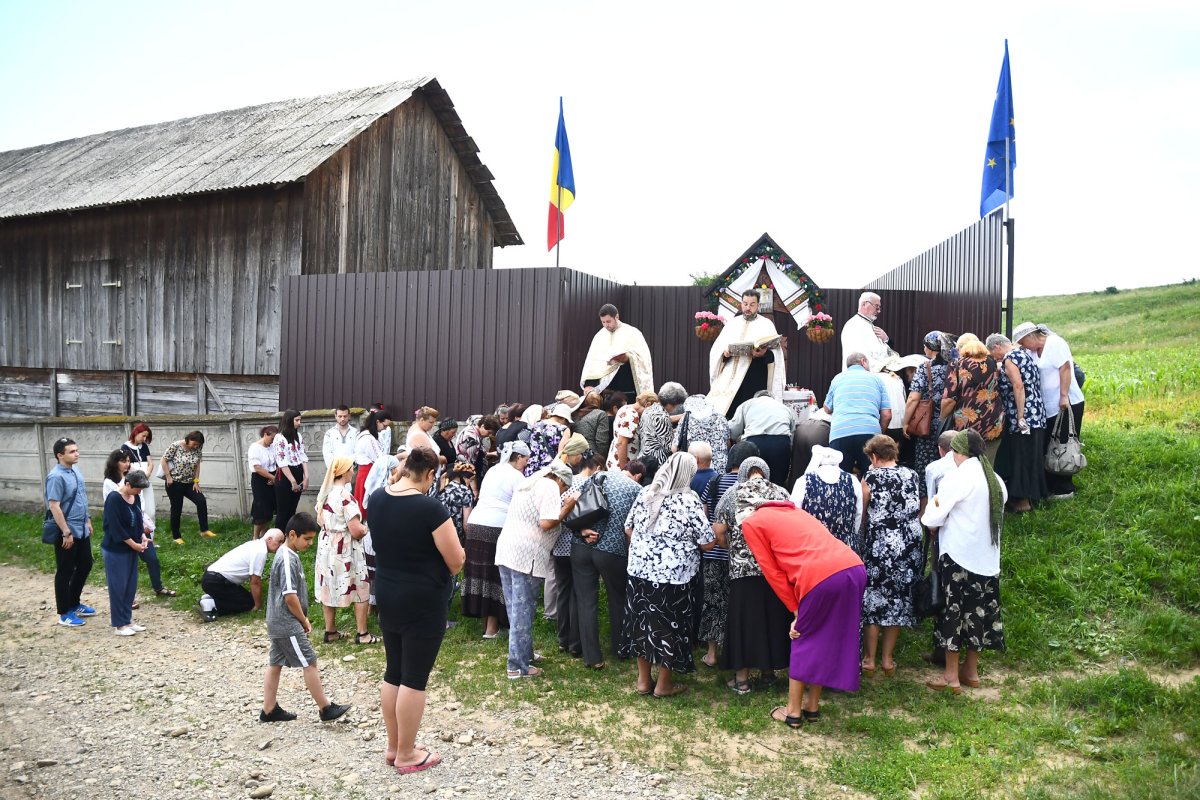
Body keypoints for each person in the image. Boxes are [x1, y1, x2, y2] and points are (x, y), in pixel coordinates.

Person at [365, 446, 465, 774]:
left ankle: (395, 746)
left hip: (388, 592)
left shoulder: (378, 498)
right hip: (422, 598)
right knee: (414, 678)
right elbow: (456, 560)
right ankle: (407, 754)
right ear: (430, 475)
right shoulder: (429, 508)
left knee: (394, 672)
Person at [740, 500, 867, 728]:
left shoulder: (752, 523)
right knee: (827, 638)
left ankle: (793, 712)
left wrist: (796, 610)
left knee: (802, 637)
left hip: (820, 577)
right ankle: (812, 706)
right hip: (854, 568)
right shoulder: (796, 512)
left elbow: (773, 572)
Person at [921, 429, 1008, 693]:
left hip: (959, 556)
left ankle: (950, 677)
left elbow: (933, 517)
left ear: (959, 453)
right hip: (987, 559)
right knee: (977, 615)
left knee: (953, 614)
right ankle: (971, 671)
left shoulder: (958, 478)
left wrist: (932, 514)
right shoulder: (996, 480)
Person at [624, 452, 714, 697]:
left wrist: (646, 547)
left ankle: (643, 681)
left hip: (639, 572)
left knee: (642, 624)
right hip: (675, 577)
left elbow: (628, 527)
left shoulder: (646, 493)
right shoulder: (689, 500)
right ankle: (664, 685)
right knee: (670, 628)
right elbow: (706, 542)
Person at [259, 512, 351, 724]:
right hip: (287, 622)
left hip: (277, 621)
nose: (310, 543)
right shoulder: (286, 559)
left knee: (275, 663)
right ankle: (325, 708)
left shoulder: (287, 555)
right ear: (292, 535)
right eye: (307, 539)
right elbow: (290, 596)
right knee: (309, 661)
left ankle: (269, 709)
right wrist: (303, 619)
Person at [712, 457, 793, 694]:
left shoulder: (732, 493)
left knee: (744, 623)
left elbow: (718, 532)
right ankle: (769, 672)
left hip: (742, 570)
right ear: (765, 472)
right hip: (774, 570)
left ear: (743, 472)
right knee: (772, 620)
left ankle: (742, 680)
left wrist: (732, 548)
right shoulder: (781, 493)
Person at [496, 459, 578, 678]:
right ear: (560, 480)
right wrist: (567, 507)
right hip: (527, 555)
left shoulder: (530, 484)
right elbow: (546, 522)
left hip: (507, 549)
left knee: (516, 608)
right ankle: (517, 666)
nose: (563, 491)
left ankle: (525, 653)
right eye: (565, 487)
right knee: (523, 610)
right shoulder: (550, 486)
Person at [570, 458, 644, 669]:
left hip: (582, 544)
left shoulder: (596, 477)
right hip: (613, 550)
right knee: (618, 599)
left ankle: (592, 657)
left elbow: (576, 506)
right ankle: (621, 648)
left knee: (585, 601)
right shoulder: (636, 489)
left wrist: (582, 531)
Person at [859, 435, 922, 678]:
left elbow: (864, 509)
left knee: (874, 598)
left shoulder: (871, 476)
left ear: (874, 456)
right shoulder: (912, 475)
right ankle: (887, 659)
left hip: (880, 544)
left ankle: (869, 659)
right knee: (898, 599)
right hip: (907, 544)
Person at [697, 441, 759, 668]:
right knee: (739, 605)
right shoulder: (755, 486)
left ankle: (712, 653)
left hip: (715, 554)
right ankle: (739, 652)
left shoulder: (715, 481)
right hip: (744, 558)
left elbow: (705, 515)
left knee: (714, 602)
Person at [463, 441, 529, 637]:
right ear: (518, 458)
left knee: (480, 573)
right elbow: (520, 505)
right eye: (525, 459)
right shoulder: (517, 476)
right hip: (497, 525)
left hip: (476, 522)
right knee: (495, 575)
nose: (526, 463)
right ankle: (491, 629)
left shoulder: (493, 471)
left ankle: (487, 625)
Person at [1014, 322, 1085, 500]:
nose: (1023, 346)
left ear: (1032, 336)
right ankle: (1051, 484)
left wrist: (1063, 395)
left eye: (1023, 342)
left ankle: (1064, 488)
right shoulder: (1031, 351)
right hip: (1048, 406)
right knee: (1050, 445)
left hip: (1066, 402)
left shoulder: (1055, 343)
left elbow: (1065, 368)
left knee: (1063, 444)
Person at [314, 456, 375, 645]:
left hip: (327, 546)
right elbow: (356, 530)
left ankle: (330, 631)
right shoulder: (345, 497)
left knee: (328, 585)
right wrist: (366, 528)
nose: (354, 471)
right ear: (345, 471)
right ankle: (362, 633)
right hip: (345, 548)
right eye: (352, 468)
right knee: (360, 587)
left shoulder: (326, 494)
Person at [987, 333, 1048, 513]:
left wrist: (1020, 416)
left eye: (992, 353)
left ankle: (1022, 502)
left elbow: (1018, 386)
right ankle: (1033, 497)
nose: (994, 357)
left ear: (997, 346)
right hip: (1037, 414)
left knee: (1021, 457)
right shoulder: (1024, 355)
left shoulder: (1010, 358)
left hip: (1023, 416)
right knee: (1032, 456)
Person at [551, 451, 604, 658]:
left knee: (563, 592)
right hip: (574, 543)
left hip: (558, 544)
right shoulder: (586, 485)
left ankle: (563, 639)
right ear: (597, 467)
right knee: (575, 594)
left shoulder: (567, 481)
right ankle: (575, 643)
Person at [103, 449, 173, 598]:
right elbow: (114, 517)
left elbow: (137, 505)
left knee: (152, 558)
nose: (127, 464)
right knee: (126, 568)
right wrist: (133, 543)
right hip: (123, 532)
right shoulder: (111, 486)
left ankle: (158, 587)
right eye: (123, 461)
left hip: (138, 525)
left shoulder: (134, 480)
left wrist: (142, 529)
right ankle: (129, 597)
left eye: (128, 460)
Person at [709, 290, 785, 418]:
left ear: (758, 305)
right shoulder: (732, 323)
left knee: (750, 415)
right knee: (729, 413)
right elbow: (717, 350)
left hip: (754, 376)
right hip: (731, 379)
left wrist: (763, 354)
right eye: (745, 304)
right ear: (741, 304)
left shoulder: (766, 324)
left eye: (752, 304)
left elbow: (775, 354)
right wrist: (725, 354)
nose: (747, 308)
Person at [45, 438, 95, 627]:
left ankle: (74, 603)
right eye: (72, 451)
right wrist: (65, 532)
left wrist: (88, 519)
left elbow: (82, 496)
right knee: (65, 571)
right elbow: (54, 506)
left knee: (85, 564)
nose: (77, 453)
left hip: (81, 528)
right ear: (60, 455)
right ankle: (64, 613)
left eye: (76, 450)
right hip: (66, 531)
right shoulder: (56, 477)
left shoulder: (75, 471)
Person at [102, 469, 152, 636]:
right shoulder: (114, 499)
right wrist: (134, 544)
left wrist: (143, 537)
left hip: (132, 547)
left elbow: (137, 520)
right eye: (137, 488)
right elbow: (115, 528)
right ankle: (119, 625)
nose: (140, 492)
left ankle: (127, 620)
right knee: (118, 586)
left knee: (130, 585)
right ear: (128, 484)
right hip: (116, 549)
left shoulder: (135, 497)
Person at [824, 352, 891, 475]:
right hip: (869, 432)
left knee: (839, 479)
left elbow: (827, 409)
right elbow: (887, 414)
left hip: (840, 432)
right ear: (862, 362)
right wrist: (878, 433)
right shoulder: (877, 379)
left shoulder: (837, 379)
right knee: (871, 478)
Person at [941, 336, 1004, 465]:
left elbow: (950, 399)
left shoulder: (956, 364)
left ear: (961, 348)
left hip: (966, 426)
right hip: (993, 423)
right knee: (988, 465)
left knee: (965, 465)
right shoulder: (992, 362)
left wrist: (942, 417)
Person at [790, 445, 864, 554]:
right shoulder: (853, 481)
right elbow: (858, 515)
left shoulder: (803, 481)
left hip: (813, 549)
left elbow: (794, 516)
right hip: (846, 550)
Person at [903, 332, 951, 498]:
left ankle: (925, 509)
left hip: (928, 426)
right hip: (949, 424)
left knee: (925, 467)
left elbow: (913, 398)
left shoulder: (925, 367)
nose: (923, 348)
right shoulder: (955, 366)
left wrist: (905, 422)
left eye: (925, 345)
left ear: (931, 348)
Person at [199, 530, 285, 621]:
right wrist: (257, 605)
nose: (281, 545)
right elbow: (255, 582)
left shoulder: (255, 545)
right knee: (248, 603)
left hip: (210, 578)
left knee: (245, 597)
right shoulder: (261, 551)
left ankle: (213, 596)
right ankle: (212, 603)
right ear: (270, 539)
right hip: (216, 582)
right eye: (279, 541)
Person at [580, 303, 655, 403]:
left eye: (608, 321)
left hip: (627, 384)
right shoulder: (599, 336)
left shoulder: (633, 333)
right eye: (603, 322)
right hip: (606, 389)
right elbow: (592, 363)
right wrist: (589, 385)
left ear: (617, 317)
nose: (606, 325)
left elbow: (643, 358)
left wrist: (627, 357)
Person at [728, 390, 796, 487]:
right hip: (781, 443)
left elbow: (734, 430)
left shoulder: (747, 404)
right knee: (778, 483)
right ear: (772, 398)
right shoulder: (784, 408)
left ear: (756, 397)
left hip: (755, 442)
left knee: (753, 481)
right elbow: (792, 434)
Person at [160, 431, 214, 544]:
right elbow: (163, 460)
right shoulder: (175, 446)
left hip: (190, 483)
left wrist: (196, 481)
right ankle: (176, 536)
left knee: (201, 501)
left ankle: (204, 530)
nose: (195, 446)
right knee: (176, 509)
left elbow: (197, 464)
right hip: (174, 483)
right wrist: (168, 477)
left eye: (197, 445)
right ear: (187, 439)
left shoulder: (197, 448)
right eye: (194, 444)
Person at [272, 410, 309, 530]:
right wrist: (292, 481)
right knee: (283, 509)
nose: (299, 423)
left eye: (300, 420)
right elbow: (281, 461)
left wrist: (306, 477)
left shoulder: (298, 436)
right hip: (285, 476)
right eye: (297, 420)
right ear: (289, 421)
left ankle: (289, 535)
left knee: (292, 508)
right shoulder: (279, 437)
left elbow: (302, 455)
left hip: (298, 472)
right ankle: (279, 536)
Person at [676, 394, 730, 474]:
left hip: (698, 468)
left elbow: (675, 446)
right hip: (720, 467)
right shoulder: (721, 418)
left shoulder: (686, 420)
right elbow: (727, 443)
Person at [840, 291, 892, 373]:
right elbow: (859, 356)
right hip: (859, 377)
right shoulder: (853, 325)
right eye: (877, 307)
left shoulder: (869, 325)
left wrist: (886, 340)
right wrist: (883, 367)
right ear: (864, 304)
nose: (879, 311)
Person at [637, 383, 684, 471]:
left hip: (644, 458)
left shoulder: (649, 409)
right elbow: (669, 447)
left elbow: (654, 434)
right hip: (657, 463)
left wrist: (671, 431)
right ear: (672, 403)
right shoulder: (662, 417)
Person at [121, 422, 157, 532]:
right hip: (134, 482)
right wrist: (140, 475)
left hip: (146, 480)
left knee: (150, 509)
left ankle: (150, 535)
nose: (145, 438)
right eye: (143, 435)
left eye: (147, 436)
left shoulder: (144, 446)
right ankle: (139, 534)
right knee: (139, 508)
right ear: (136, 433)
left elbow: (150, 462)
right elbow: (127, 465)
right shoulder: (125, 446)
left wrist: (147, 473)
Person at [354, 409, 391, 512]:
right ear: (377, 422)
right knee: (367, 504)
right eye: (384, 426)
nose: (385, 429)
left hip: (369, 471)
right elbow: (379, 459)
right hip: (368, 473)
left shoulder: (370, 436)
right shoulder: (367, 438)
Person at [607, 391, 653, 471]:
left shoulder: (625, 408)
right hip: (622, 465)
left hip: (614, 461)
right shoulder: (632, 415)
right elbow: (621, 444)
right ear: (647, 405)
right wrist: (625, 470)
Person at [247, 425, 279, 538]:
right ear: (266, 434)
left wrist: (274, 477)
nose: (273, 441)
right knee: (261, 508)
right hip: (260, 480)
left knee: (270, 507)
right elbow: (258, 468)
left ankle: (264, 534)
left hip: (272, 477)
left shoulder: (272, 447)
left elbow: (277, 462)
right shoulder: (255, 448)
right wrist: (273, 478)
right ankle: (255, 536)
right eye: (272, 438)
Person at [575, 392, 623, 461]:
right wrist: (602, 459)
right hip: (592, 457)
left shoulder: (576, 414)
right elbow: (601, 441)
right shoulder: (600, 414)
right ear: (600, 402)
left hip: (576, 454)